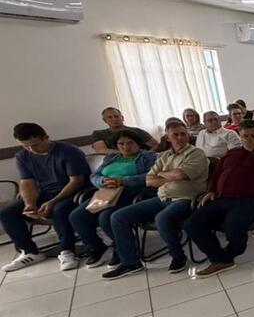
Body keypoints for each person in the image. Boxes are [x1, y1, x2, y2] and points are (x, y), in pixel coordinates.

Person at [104, 121, 209, 278]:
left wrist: (162, 175)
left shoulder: (196, 153)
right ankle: (131, 262)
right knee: (118, 217)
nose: (180, 137)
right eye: (175, 134)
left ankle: (178, 256)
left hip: (186, 198)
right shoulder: (165, 155)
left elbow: (180, 175)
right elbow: (149, 179)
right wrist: (168, 175)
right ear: (167, 137)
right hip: (162, 197)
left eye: (183, 134)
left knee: (162, 219)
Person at [186, 120, 254, 278]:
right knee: (192, 224)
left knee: (233, 228)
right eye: (245, 136)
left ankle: (226, 257)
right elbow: (217, 173)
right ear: (240, 136)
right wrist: (211, 191)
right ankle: (221, 258)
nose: (249, 139)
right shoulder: (232, 153)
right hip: (222, 198)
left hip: (250, 200)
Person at [1, 123, 90, 272]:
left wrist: (53, 201)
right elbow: (27, 182)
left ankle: (67, 250)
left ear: (45, 137)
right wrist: (30, 203)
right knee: (6, 212)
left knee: (58, 209)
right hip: (45, 193)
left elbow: (76, 181)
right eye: (26, 146)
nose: (31, 150)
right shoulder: (22, 156)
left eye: (35, 145)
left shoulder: (68, 151)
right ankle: (29, 252)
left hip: (72, 192)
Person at [69, 130, 158, 267]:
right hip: (105, 192)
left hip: (132, 193)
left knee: (105, 217)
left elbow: (150, 176)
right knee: (77, 216)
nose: (125, 147)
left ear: (138, 143)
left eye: (130, 143)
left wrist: (123, 181)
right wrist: (102, 181)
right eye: (121, 144)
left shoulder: (148, 157)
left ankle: (120, 248)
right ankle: (98, 247)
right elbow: (94, 176)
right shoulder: (111, 158)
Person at [91, 107, 158, 154]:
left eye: (116, 116)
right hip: (115, 162)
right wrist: (129, 153)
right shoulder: (98, 134)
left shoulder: (137, 131)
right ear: (104, 120)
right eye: (110, 117)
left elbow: (156, 145)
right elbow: (101, 150)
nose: (114, 119)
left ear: (122, 118)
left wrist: (146, 155)